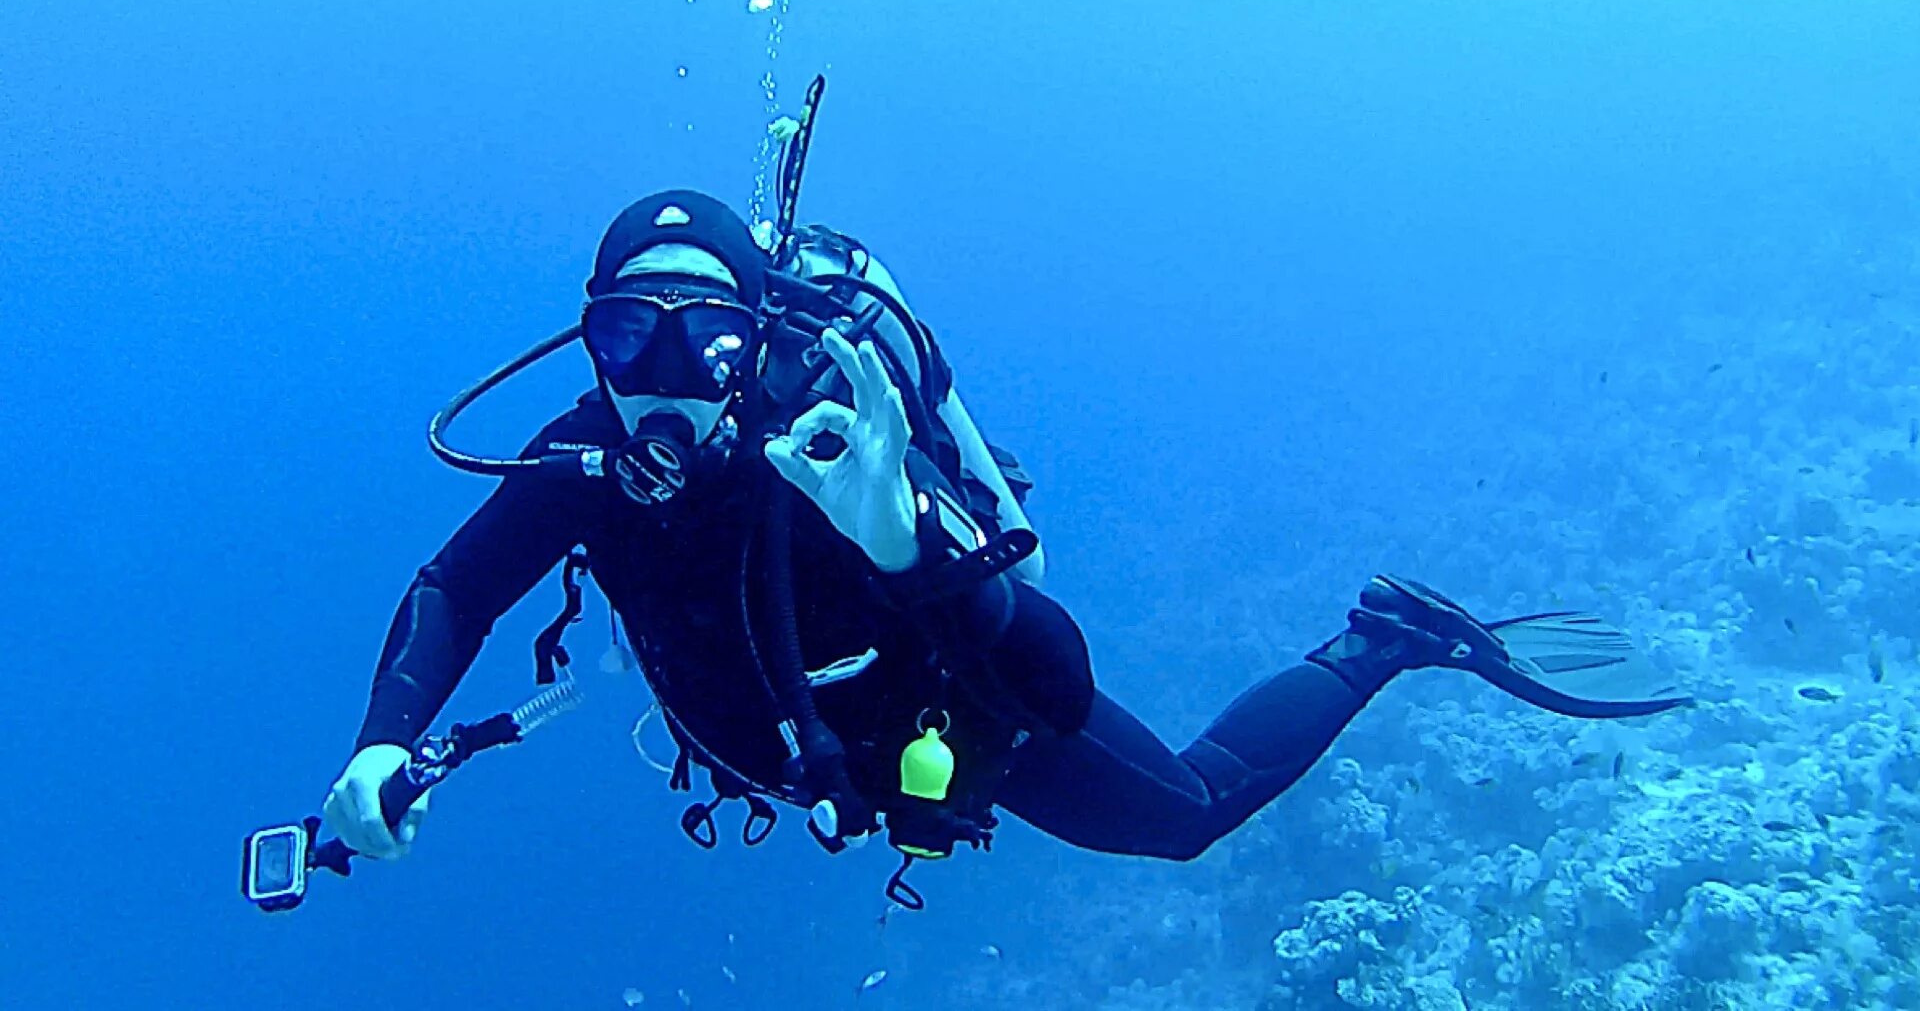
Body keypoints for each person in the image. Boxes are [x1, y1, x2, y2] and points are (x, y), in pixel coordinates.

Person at [324, 187, 1689, 895]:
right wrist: (384, 736)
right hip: (819, 761)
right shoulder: (578, 463)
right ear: (589, 339)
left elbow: (1056, 678)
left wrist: (901, 536)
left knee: (1188, 819)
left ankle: (1384, 635)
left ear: (758, 342)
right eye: (631, 333)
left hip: (960, 718)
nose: (669, 376)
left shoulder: (832, 446)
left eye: (711, 334)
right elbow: (457, 586)